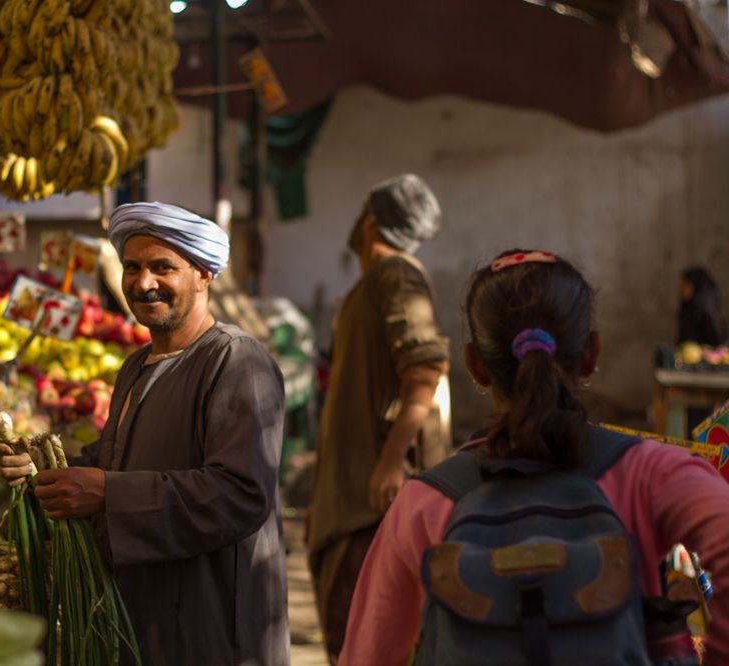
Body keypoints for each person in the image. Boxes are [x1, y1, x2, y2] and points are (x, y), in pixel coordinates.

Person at [340, 249, 729, 666]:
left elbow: (369, 656)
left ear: (475, 365)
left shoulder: (423, 503)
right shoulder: (651, 472)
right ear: (591, 354)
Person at [0, 202, 290, 666]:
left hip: (210, 630)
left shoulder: (237, 362)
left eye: (162, 267)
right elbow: (111, 460)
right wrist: (44, 472)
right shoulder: (135, 367)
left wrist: (108, 494)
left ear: (203, 275)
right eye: (132, 267)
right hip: (142, 621)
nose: (143, 282)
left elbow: (239, 493)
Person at [306, 174, 451, 663]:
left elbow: (426, 365)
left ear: (370, 218)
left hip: (372, 508)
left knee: (362, 645)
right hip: (349, 499)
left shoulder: (397, 276)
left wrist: (392, 459)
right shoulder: (371, 286)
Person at [678, 266, 727, 347]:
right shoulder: (688, 307)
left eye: (685, 285)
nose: (682, 289)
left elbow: (719, 341)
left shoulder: (706, 309)